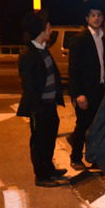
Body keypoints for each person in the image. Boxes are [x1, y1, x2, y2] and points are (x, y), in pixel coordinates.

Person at [16, 10, 69, 187]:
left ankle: (49, 168)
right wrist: (36, 109)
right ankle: (41, 176)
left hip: (50, 104)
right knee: (39, 141)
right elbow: (29, 85)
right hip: (39, 107)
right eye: (48, 27)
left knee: (49, 137)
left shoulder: (43, 49)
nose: (51, 30)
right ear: (41, 30)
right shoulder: (28, 54)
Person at [68, 1, 105, 171]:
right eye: (93, 15)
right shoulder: (80, 39)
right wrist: (78, 94)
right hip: (86, 91)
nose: (96, 18)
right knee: (83, 125)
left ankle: (96, 158)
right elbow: (74, 69)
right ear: (87, 18)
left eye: (99, 15)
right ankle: (75, 158)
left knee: (100, 126)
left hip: (102, 89)